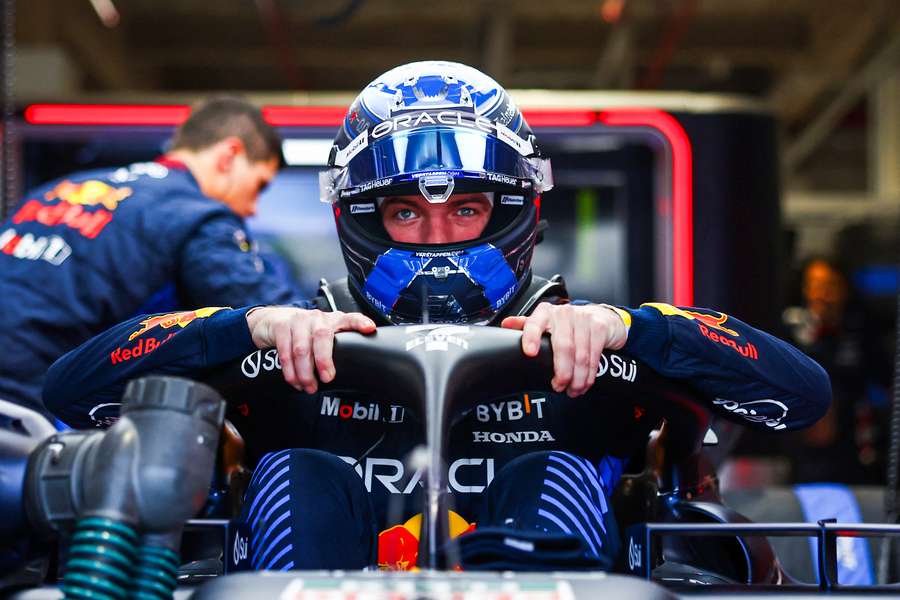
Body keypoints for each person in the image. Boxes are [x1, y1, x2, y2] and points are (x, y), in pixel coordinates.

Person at [43, 62, 831, 572]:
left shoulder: (590, 346)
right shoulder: (290, 344)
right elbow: (70, 392)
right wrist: (239, 328)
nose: (439, 235)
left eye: (469, 208)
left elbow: (803, 395)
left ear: (516, 212)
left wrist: (638, 330)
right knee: (295, 474)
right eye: (403, 213)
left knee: (556, 477)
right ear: (358, 217)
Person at [0, 96, 307, 418]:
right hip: (31, 411)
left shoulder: (57, 190)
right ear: (229, 155)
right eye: (259, 185)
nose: (253, 208)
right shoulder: (195, 215)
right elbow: (274, 316)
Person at [781, 257, 889, 483]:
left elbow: (886, 381)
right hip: (801, 449)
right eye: (814, 286)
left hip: (855, 448)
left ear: (844, 290)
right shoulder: (788, 334)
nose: (821, 294)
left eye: (829, 286)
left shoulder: (862, 332)